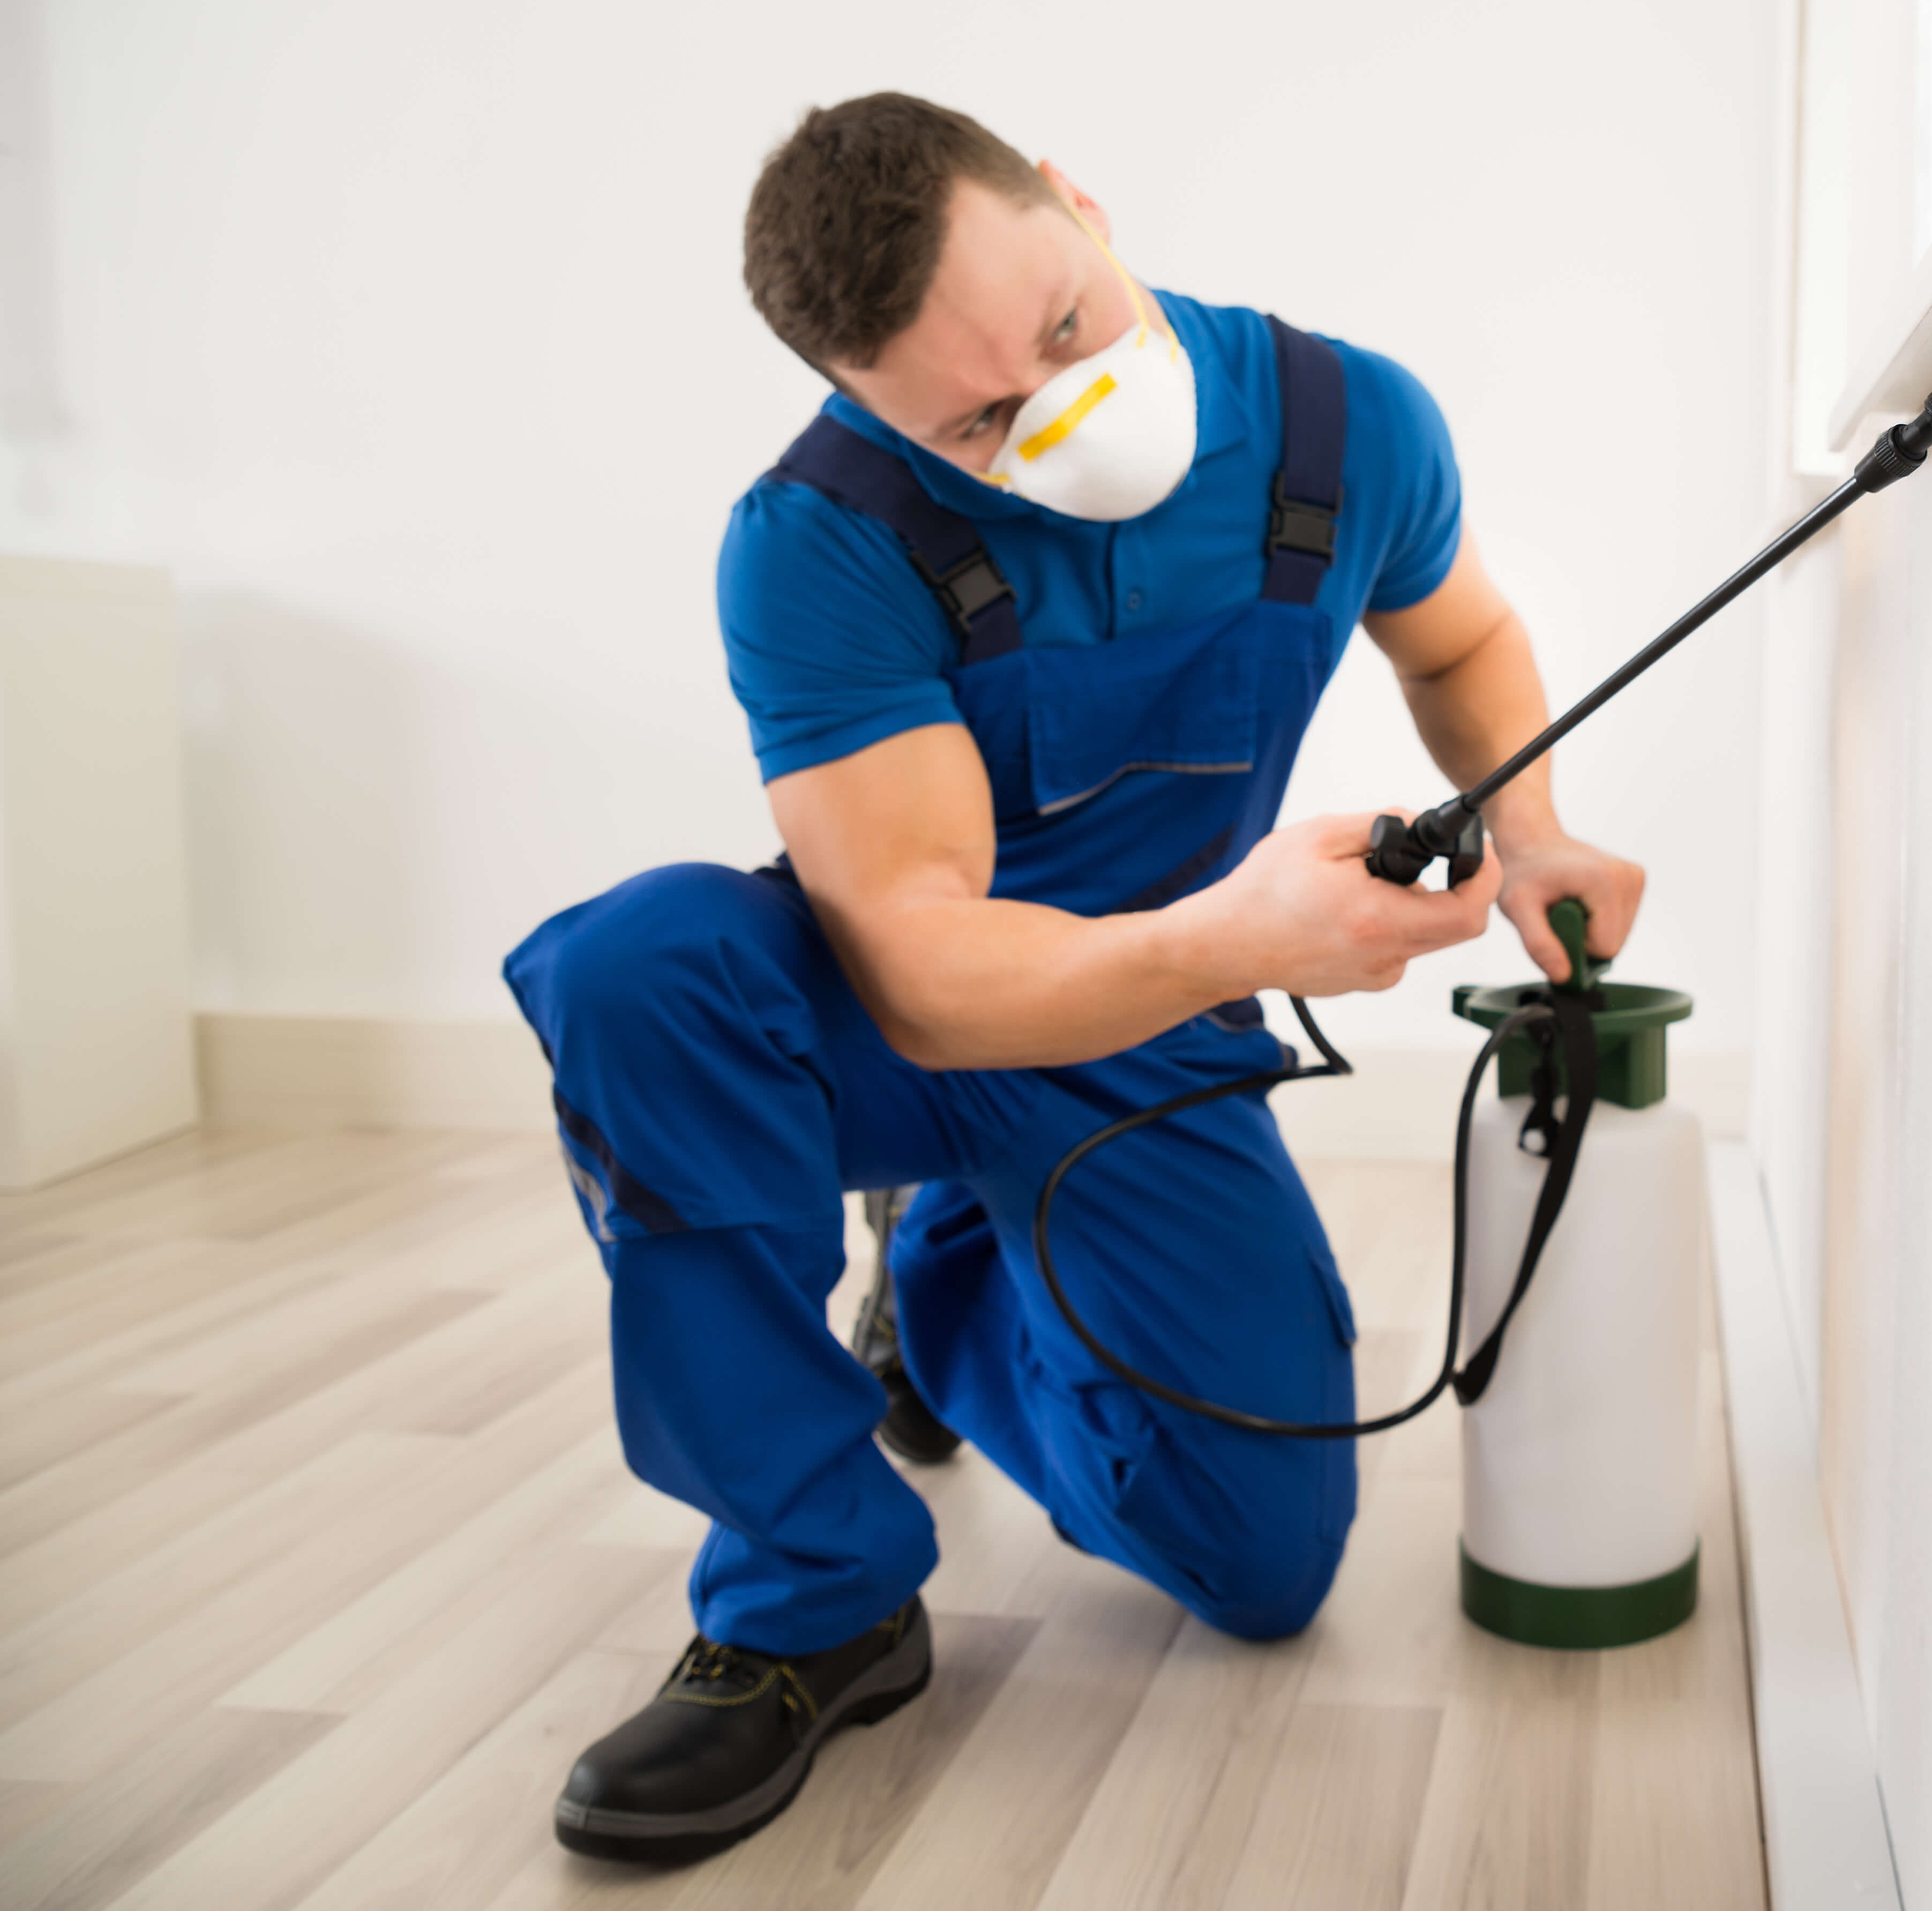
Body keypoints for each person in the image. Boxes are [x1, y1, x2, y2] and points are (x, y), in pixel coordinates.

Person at [502, 92, 1646, 1864]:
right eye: (974, 417)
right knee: (643, 968)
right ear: (869, 407)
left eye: (1064, 329)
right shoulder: (815, 539)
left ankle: (947, 1291)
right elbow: (927, 962)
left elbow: (1468, 635)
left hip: (1150, 1026)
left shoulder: (1347, 430)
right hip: (900, 1020)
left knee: (1263, 1565)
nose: (1059, 415)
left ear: (1080, 203)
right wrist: (1246, 936)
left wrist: (1540, 823)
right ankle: (812, 1599)